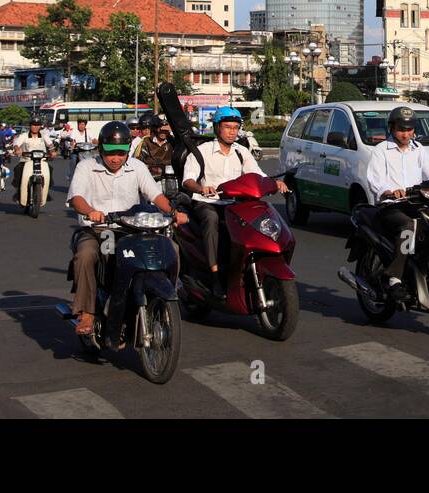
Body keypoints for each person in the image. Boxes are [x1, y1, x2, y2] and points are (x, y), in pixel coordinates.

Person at [67, 121, 188, 337]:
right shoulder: (86, 166)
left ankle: (164, 294)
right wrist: (91, 211)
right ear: (102, 150)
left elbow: (155, 194)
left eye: (121, 153)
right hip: (99, 229)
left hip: (132, 229)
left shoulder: (137, 167)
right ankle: (86, 311)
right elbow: (76, 198)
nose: (116, 159)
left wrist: (173, 213)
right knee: (86, 255)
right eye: (111, 153)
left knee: (171, 248)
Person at [181, 106, 287, 299]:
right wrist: (201, 188)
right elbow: (188, 179)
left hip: (235, 203)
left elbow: (257, 174)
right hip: (208, 202)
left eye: (235, 127)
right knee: (212, 220)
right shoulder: (201, 152)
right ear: (217, 128)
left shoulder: (241, 152)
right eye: (227, 127)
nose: (232, 131)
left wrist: (274, 183)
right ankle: (214, 275)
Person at [365, 106, 429, 302]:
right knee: (409, 227)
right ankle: (394, 277)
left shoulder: (419, 150)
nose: (406, 133)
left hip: (416, 203)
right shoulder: (381, 151)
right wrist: (388, 191)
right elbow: (375, 179)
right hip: (390, 206)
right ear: (391, 128)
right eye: (401, 129)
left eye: (409, 129)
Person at [12, 116, 55, 205]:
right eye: (33, 125)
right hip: (26, 161)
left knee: (50, 170)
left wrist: (53, 151)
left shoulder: (44, 136)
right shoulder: (24, 135)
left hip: (41, 161)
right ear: (30, 126)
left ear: (40, 126)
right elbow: (17, 144)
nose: (35, 127)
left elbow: (50, 144)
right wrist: (17, 149)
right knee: (18, 170)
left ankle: (46, 191)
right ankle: (18, 192)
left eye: (37, 125)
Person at [134, 114, 174, 182]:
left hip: (170, 179)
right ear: (155, 128)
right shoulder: (146, 141)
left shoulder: (174, 142)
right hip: (149, 179)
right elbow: (138, 161)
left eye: (165, 129)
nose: (163, 132)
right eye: (160, 128)